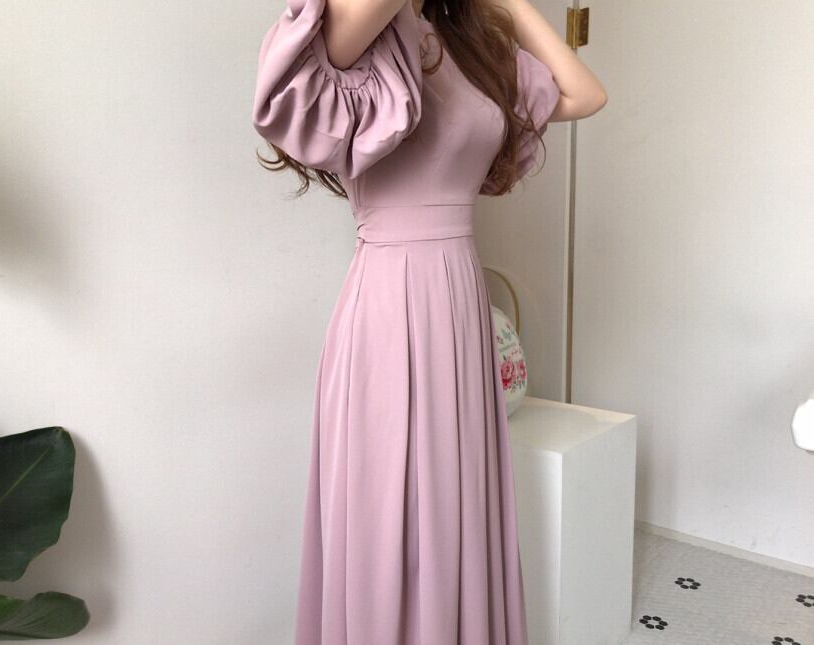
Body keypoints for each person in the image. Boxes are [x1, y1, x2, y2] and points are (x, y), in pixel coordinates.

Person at [251, 0, 606, 642]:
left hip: (461, 297)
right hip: (390, 301)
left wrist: (509, 5)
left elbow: (585, 95)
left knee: (455, 500)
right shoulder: (362, 24)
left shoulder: (468, 44)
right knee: (388, 500)